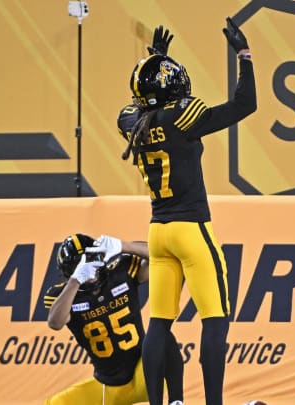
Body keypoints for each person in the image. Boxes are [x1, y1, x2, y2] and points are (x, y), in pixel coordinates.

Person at [98, 17, 256, 405]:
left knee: (159, 323)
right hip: (190, 229)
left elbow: (146, 107)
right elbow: (244, 104)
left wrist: (156, 61)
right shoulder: (181, 118)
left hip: (158, 231)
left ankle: (159, 402)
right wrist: (245, 56)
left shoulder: (131, 122)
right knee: (215, 319)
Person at [44, 233, 184, 405]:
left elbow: (165, 258)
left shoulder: (120, 273)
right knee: (55, 403)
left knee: (163, 338)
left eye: (91, 260)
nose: (91, 272)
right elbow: (55, 322)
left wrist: (123, 245)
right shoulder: (65, 295)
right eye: (82, 267)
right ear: (69, 272)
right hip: (107, 387)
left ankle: (176, 402)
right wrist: (75, 280)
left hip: (145, 375)